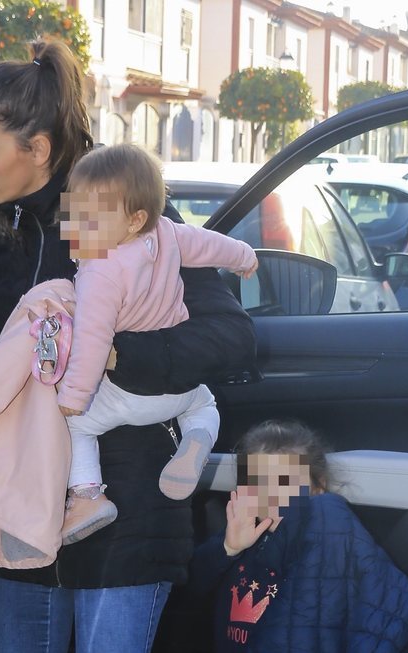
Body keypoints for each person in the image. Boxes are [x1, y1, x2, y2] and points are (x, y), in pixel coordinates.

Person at [0, 38, 255, 653]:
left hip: (126, 514)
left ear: (39, 150)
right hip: (23, 512)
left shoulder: (126, 218)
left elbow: (230, 336)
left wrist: (121, 358)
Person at [56, 144, 258, 545]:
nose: (76, 226)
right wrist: (245, 258)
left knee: (73, 427)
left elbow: (93, 342)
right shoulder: (168, 233)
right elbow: (210, 245)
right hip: (180, 389)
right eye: (73, 214)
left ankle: (87, 497)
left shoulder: (100, 273)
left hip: (130, 394)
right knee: (206, 402)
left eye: (90, 218)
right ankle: (196, 438)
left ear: (135, 219)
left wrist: (74, 396)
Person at [189, 420, 408, 653]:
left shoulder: (327, 541)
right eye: (258, 483)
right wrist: (228, 548)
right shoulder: (242, 534)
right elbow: (191, 587)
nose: (271, 495)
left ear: (318, 487)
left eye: (285, 482)